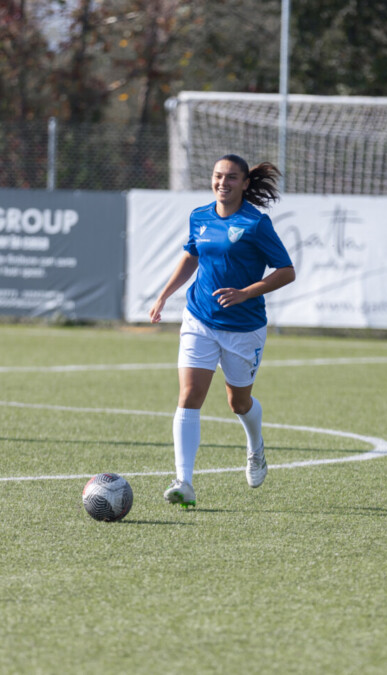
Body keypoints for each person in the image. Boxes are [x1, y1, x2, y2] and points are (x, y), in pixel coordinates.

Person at [148, 154, 296, 507]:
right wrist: (164, 295)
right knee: (189, 396)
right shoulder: (199, 216)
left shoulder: (255, 224)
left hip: (243, 328)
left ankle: (256, 447)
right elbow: (191, 255)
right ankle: (184, 481)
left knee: (238, 402)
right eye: (218, 176)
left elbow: (287, 270)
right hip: (199, 317)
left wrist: (246, 292)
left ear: (245, 183)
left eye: (231, 178)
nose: (222, 183)